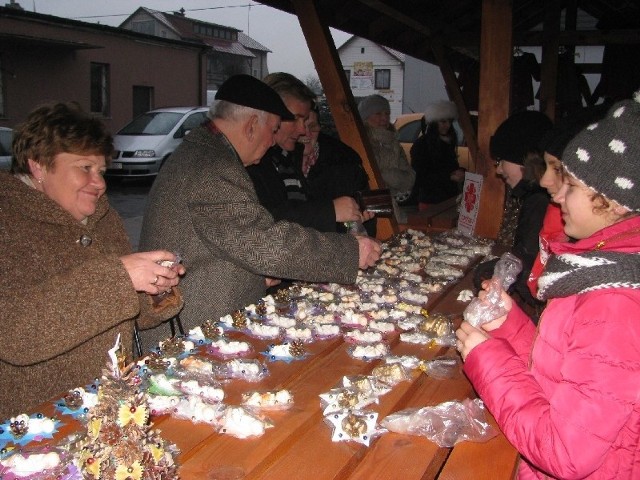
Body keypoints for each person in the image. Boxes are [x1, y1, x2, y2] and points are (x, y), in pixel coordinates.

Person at [456, 94, 640, 479]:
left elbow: (566, 452)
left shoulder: (615, 300)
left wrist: (487, 361)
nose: (555, 193)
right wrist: (512, 325)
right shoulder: (601, 269)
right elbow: (566, 374)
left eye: (570, 184)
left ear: (612, 201)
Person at [139, 74, 381, 338]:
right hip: (195, 329)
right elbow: (264, 243)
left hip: (197, 317)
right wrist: (349, 252)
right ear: (252, 124)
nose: (272, 141)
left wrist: (252, 278)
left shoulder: (202, 153)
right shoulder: (213, 168)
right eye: (274, 129)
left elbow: (220, 243)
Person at [0, 102, 185, 419]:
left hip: (111, 403)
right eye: (84, 168)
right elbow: (15, 333)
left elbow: (131, 314)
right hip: (40, 419)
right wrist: (121, 278)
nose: (99, 183)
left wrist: (155, 289)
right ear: (39, 166)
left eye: (100, 171)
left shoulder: (103, 217)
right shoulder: (8, 223)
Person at [246, 72, 366, 232]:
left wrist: (348, 220)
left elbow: (302, 224)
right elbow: (262, 222)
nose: (303, 129)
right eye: (295, 118)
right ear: (269, 114)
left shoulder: (287, 157)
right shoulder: (250, 159)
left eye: (307, 122)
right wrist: (330, 211)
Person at [473, 111, 552, 310]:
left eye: (500, 160)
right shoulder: (533, 197)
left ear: (523, 160)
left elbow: (534, 276)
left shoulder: (539, 202)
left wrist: (497, 272)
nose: (498, 170)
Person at [298, 105, 375, 235]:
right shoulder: (272, 159)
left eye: (312, 126)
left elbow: (362, 223)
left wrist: (352, 225)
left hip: (334, 248)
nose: (306, 133)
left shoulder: (343, 161)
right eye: (300, 126)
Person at [358, 94, 416, 203]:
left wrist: (383, 174)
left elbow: (409, 179)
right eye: (378, 114)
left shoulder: (394, 143)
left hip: (391, 205)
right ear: (365, 117)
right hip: (366, 206)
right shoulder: (360, 143)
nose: (384, 118)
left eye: (387, 114)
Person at [409, 100, 465, 209]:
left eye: (450, 121)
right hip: (430, 201)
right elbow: (419, 177)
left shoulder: (448, 142)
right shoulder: (422, 145)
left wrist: (461, 172)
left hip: (449, 199)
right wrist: (449, 177)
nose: (447, 125)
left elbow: (449, 167)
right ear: (434, 123)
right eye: (443, 122)